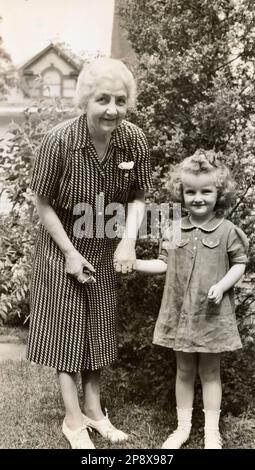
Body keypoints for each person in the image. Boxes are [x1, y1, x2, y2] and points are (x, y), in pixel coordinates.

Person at [27, 58, 152, 449]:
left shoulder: (134, 139)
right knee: (65, 334)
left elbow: (139, 196)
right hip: (59, 244)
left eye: (120, 100)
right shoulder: (60, 141)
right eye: (102, 99)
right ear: (85, 100)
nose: (112, 109)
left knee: (98, 329)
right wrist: (67, 252)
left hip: (103, 242)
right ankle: (73, 420)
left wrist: (129, 240)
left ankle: (95, 412)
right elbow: (42, 202)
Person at [135, 151, 248, 449]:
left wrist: (222, 286)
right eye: (190, 192)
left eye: (206, 191)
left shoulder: (227, 231)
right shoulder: (173, 229)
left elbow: (240, 263)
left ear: (218, 193)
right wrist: (133, 263)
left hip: (211, 315)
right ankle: (182, 428)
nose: (198, 198)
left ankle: (212, 431)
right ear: (181, 193)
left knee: (210, 372)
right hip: (181, 315)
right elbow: (163, 264)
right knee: (184, 371)